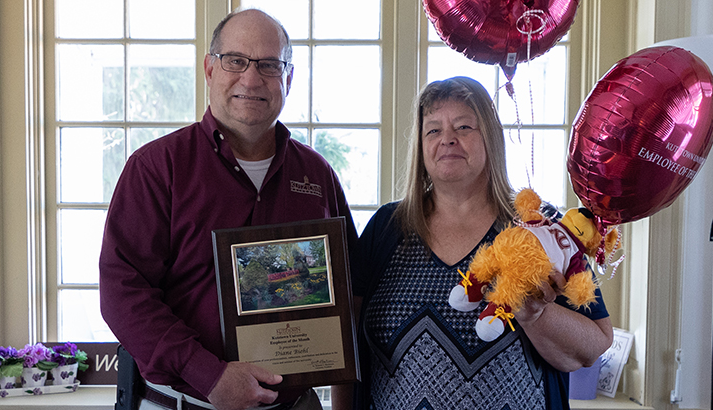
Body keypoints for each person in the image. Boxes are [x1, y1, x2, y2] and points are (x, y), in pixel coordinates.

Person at [99, 9, 357, 410]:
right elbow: (123, 293)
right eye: (235, 61)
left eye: (269, 65)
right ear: (209, 69)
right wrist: (210, 375)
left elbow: (348, 290)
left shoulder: (316, 173)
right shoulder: (156, 168)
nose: (251, 79)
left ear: (287, 79)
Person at [347, 76, 613, 409]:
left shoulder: (539, 225)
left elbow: (596, 343)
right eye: (433, 130)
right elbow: (346, 345)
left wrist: (535, 316)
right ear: (420, 147)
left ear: (490, 138)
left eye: (464, 127)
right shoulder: (386, 228)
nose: (447, 140)